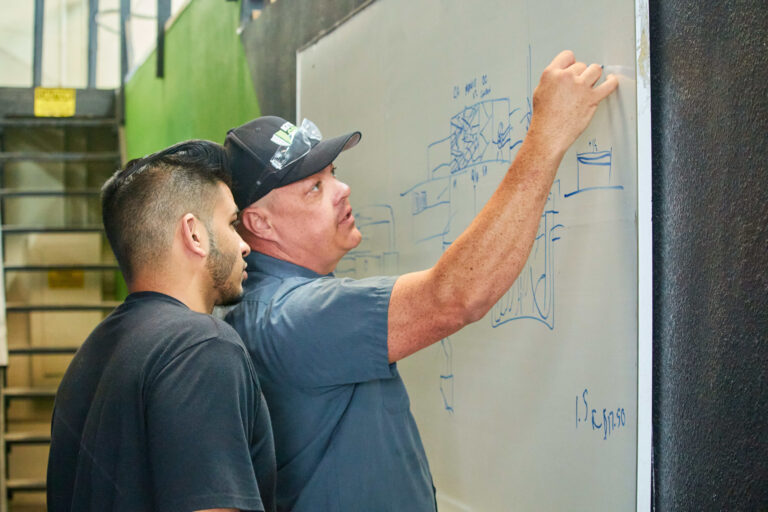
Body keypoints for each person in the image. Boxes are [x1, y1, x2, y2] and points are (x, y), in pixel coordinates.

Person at [223, 50, 618, 511]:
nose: (342, 189)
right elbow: (454, 297)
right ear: (261, 224)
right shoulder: (292, 315)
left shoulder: (264, 308)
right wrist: (546, 136)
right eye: (314, 187)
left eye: (333, 174)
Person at [47, 140, 276, 512]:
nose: (244, 245)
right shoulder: (202, 347)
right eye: (233, 223)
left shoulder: (87, 358)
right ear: (195, 234)